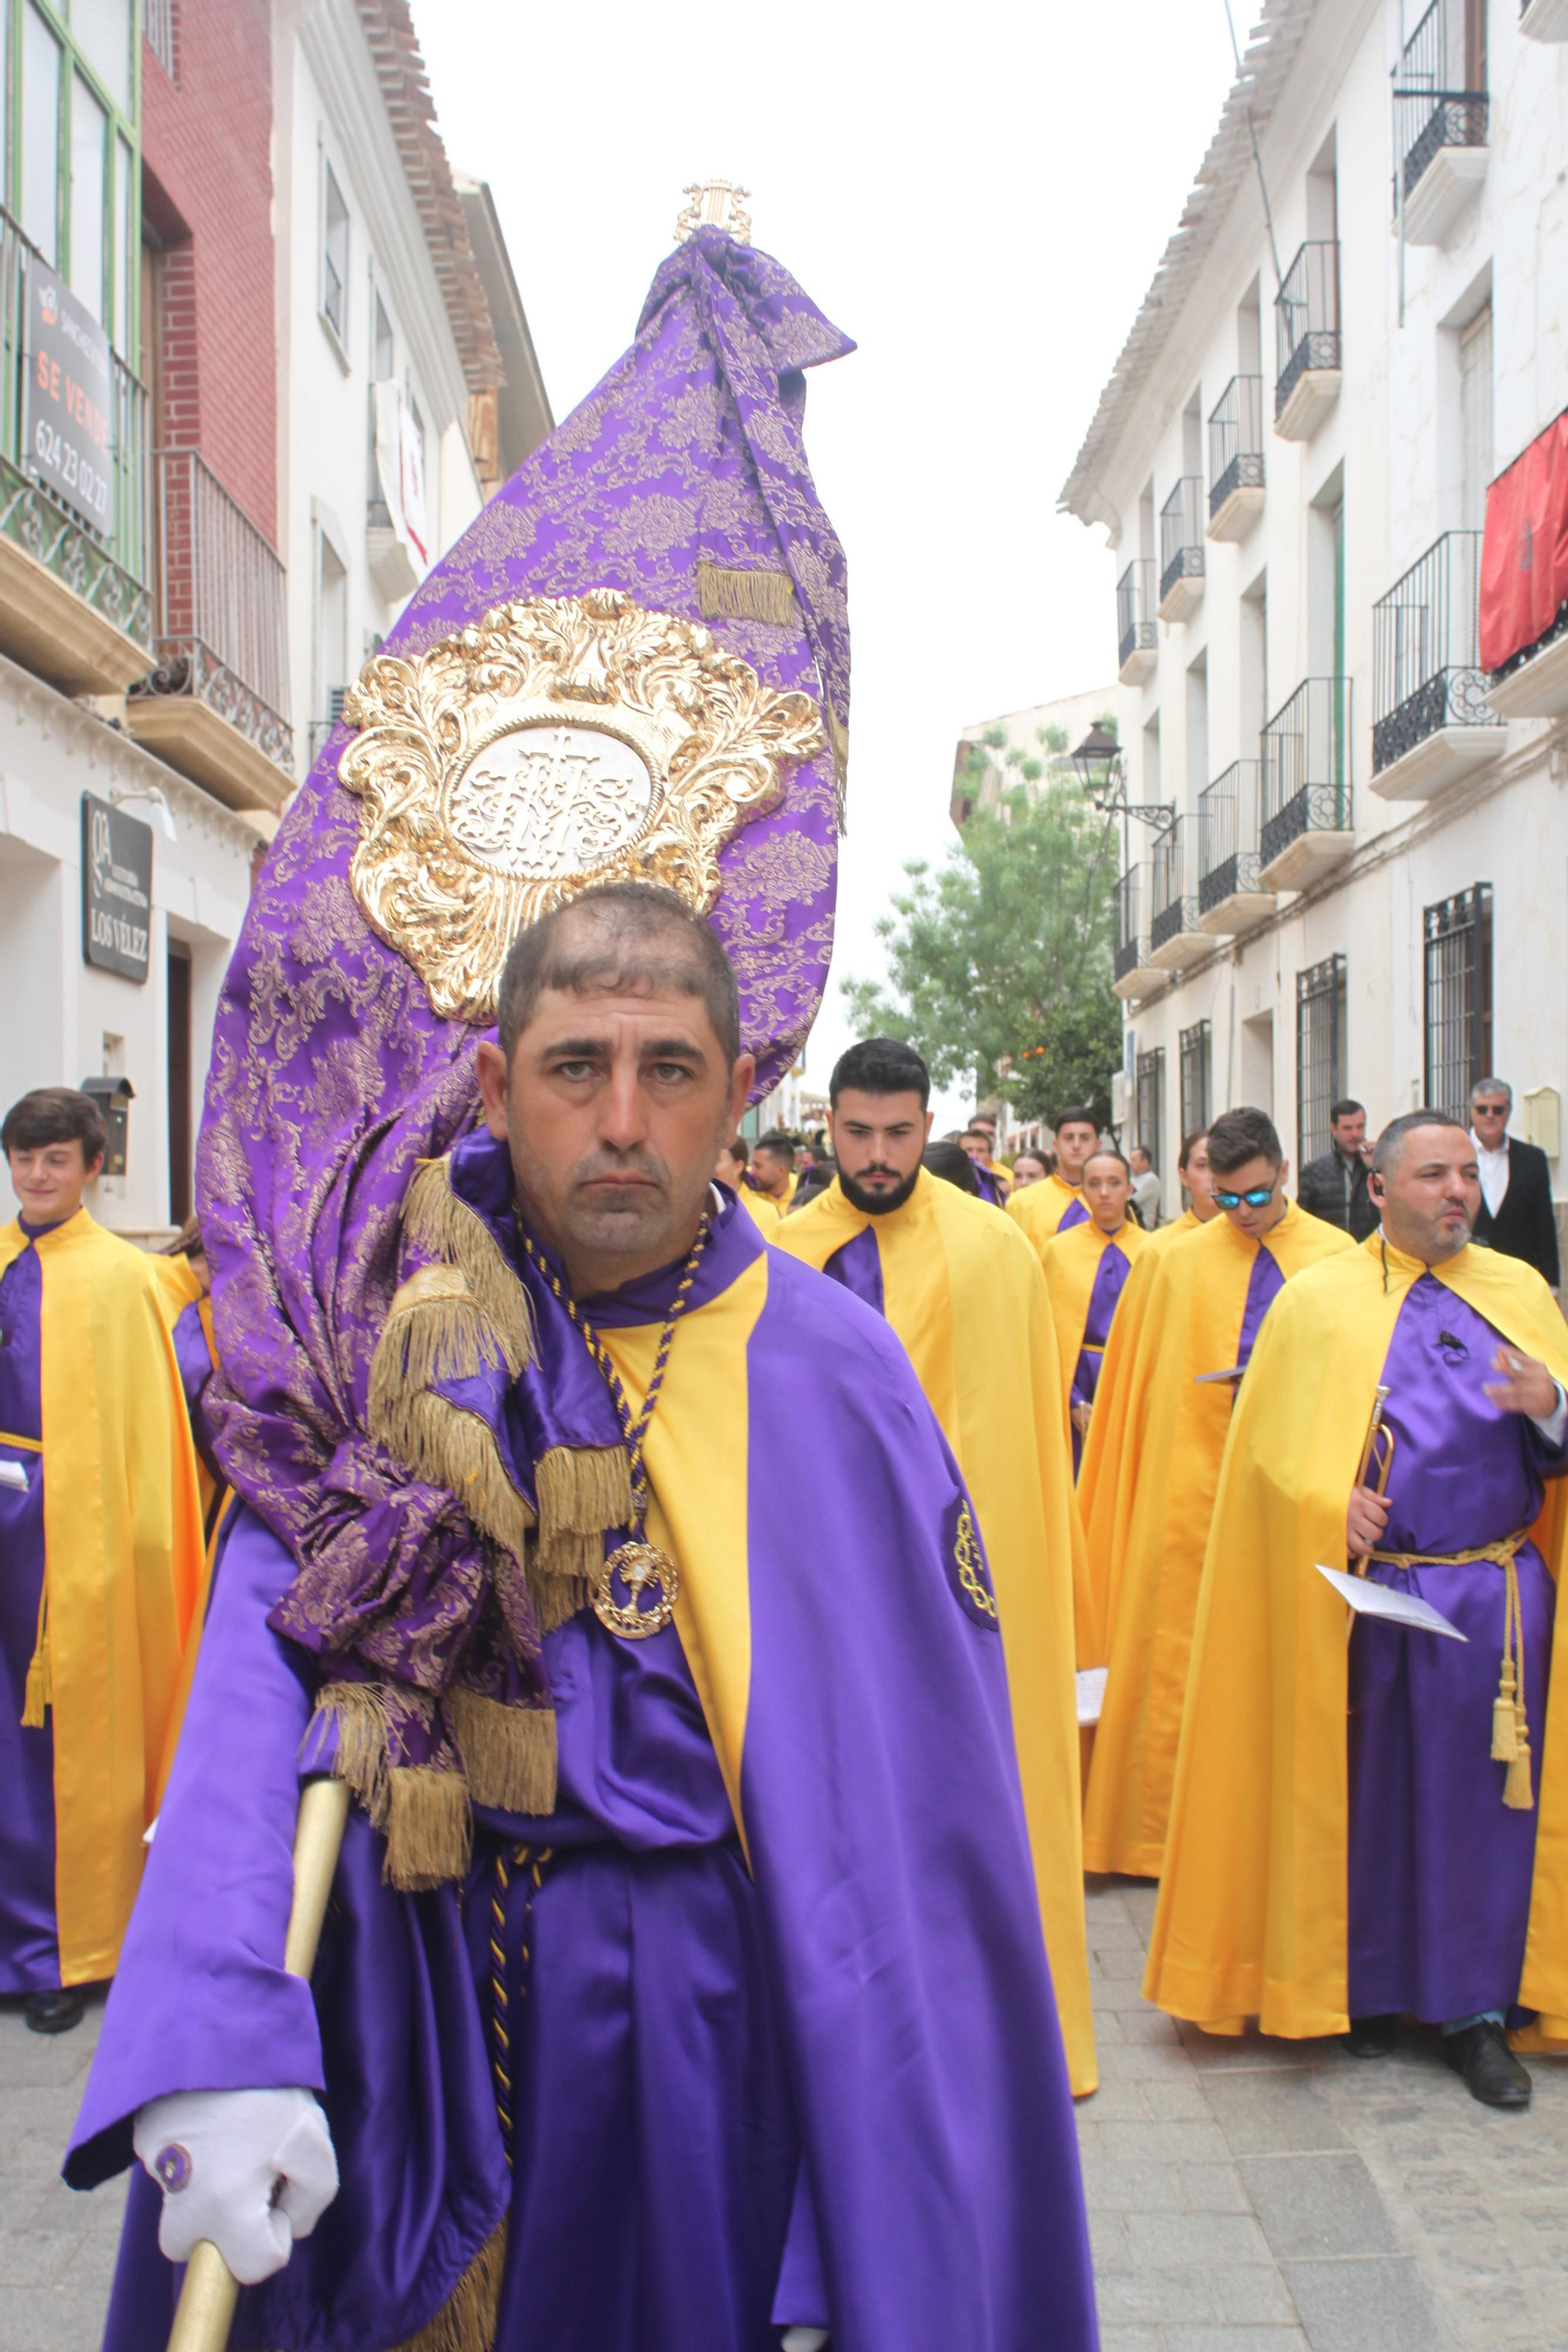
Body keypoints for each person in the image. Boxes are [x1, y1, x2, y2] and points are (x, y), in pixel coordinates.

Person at [70, 891, 1097, 2348]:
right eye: (574, 1068)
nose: (623, 1119)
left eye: (669, 1069)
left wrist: (850, 2224)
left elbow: (917, 1866)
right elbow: (256, 1680)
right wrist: (215, 2031)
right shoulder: (380, 1343)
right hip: (423, 2020)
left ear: (743, 1093)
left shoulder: (841, 1380)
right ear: (497, 1084)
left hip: (725, 2042)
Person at [1145, 1113, 1568, 2108]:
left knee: (1481, 1810)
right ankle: (1370, 1994)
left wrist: (1549, 1401)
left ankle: (1473, 2016)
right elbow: (1264, 1461)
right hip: (1370, 1598)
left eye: (1466, 1174)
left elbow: (1557, 1441)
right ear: (1379, 1191)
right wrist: (1329, 1499)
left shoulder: (1517, 1294)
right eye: (1432, 1175)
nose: (1457, 1191)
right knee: (1368, 1799)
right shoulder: (1320, 1302)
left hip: (1495, 1597)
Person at [773, 1037, 1098, 2096]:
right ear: (829, 1126)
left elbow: (1021, 1437)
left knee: (972, 1782)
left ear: (927, 1126)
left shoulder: (996, 1248)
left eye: (897, 1133)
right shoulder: (779, 1252)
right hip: (824, 1567)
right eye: (856, 1133)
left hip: (965, 1576)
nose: (875, 1155)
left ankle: (991, 2030)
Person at [1077, 1106, 1353, 1870]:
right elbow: (1138, 1392)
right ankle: (1161, 1833)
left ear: (1285, 1172)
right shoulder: (1176, 1262)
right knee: (1180, 1656)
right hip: (1189, 1491)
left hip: (1294, 1495)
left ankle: (1280, 1838)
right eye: (1225, 1199)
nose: (1242, 1214)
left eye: (1257, 1196)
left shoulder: (1338, 1258)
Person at [0, 1088, 203, 2034]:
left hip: (67, 1546)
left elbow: (151, 1432)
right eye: (23, 1159)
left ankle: (60, 1948)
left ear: (91, 1168)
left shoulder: (122, 1282)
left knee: (61, 1745)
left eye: (54, 1160)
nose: (36, 1176)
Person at [1041, 1148, 1144, 1474]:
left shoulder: (1153, 1250)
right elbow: (1047, 1330)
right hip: (1078, 1375)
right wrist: (1072, 1397)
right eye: (1094, 1183)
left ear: (1130, 1189)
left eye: (1114, 1183)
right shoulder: (1059, 1250)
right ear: (1082, 1189)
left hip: (1130, 1373)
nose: (1104, 1193)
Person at [1471, 1077, 1560, 1289]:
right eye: (1482, 1109)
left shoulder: (1532, 1159)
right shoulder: (1453, 1156)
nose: (1490, 1115)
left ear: (1509, 1112)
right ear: (1472, 1111)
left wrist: (1552, 1285)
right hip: (1467, 1277)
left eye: (1498, 1109)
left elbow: (1544, 1223)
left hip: (1517, 1279)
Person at [1007, 1106, 1100, 1251]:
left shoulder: (1113, 1201)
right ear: (1056, 1145)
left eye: (1085, 1138)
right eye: (1069, 1138)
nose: (1076, 1145)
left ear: (1097, 1146)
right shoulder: (1021, 1202)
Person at [1296, 1098, 1378, 1242]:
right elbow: (1302, 1220)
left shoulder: (1377, 1166)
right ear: (1334, 1128)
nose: (1355, 1134)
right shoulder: (1314, 1171)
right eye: (1348, 1128)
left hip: (1369, 1253)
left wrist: (1374, 1167)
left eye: (1360, 1127)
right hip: (1330, 1254)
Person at [714, 1134, 781, 1230]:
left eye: (716, 1160)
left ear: (738, 1167)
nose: (708, 1167)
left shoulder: (764, 1212)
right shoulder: (701, 1207)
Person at [748, 1131, 797, 1209]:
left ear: (780, 1171)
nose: (752, 1172)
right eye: (752, 1165)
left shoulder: (801, 1203)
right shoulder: (747, 1196)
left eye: (758, 1166)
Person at [958, 1128, 1007, 1205]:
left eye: (981, 1151)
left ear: (989, 1156)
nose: (974, 1156)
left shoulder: (1000, 1185)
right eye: (969, 1150)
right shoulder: (948, 1183)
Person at [1127, 1144, 1161, 1231]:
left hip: (1143, 1227)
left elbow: (1131, 1202)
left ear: (1145, 1162)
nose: (1130, 1163)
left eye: (1133, 1160)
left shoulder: (1150, 1180)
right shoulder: (1134, 1179)